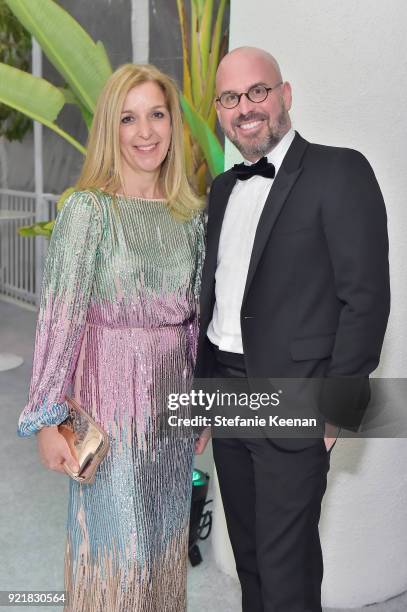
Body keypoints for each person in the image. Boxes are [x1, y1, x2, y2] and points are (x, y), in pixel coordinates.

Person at [194, 47, 390, 611]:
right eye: (230, 98)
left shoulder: (340, 170)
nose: (245, 107)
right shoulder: (223, 189)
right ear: (220, 111)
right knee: (250, 558)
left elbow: (366, 297)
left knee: (287, 570)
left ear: (285, 94)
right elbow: (217, 302)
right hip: (226, 395)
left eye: (257, 91)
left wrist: (337, 409)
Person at [17, 63, 205, 611]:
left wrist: (200, 410)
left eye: (156, 115)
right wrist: (48, 417)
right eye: (129, 118)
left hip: (171, 419)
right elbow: (59, 319)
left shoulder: (190, 218)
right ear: (110, 129)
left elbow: (193, 325)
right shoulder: (87, 210)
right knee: (114, 562)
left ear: (172, 124)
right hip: (110, 413)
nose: (145, 132)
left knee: (163, 555)